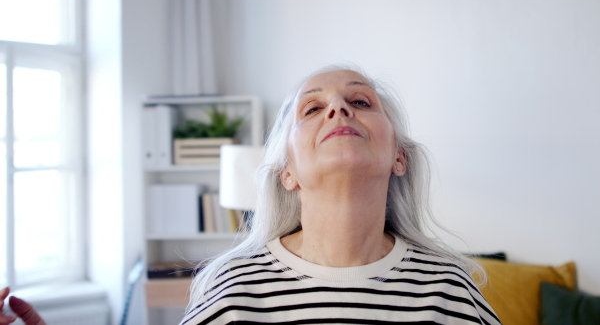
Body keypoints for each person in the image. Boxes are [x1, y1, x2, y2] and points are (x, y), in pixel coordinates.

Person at [181, 66, 501, 324]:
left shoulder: (448, 289)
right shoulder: (233, 292)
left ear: (399, 157)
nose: (338, 108)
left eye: (360, 101)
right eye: (313, 108)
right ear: (287, 171)